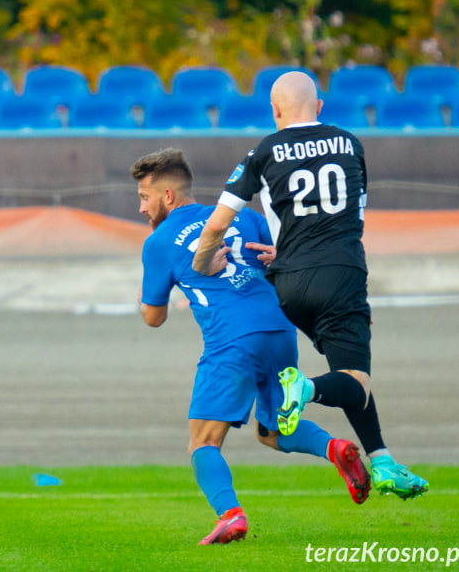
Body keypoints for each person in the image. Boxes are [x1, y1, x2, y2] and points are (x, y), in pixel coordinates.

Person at [191, 71, 428, 500]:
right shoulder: (349, 143)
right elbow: (350, 215)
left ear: (275, 111)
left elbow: (218, 223)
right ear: (319, 107)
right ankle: (306, 388)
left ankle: (383, 461)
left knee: (352, 374)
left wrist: (202, 261)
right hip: (341, 274)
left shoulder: (263, 150)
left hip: (288, 285)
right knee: (355, 380)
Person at [133, 148, 370, 546]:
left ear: (168, 196)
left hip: (231, 338)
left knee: (203, 442)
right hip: (279, 328)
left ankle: (231, 515)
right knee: (273, 430)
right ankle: (335, 447)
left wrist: (160, 292)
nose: (141, 208)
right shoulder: (245, 217)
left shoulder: (158, 242)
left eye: (144, 197)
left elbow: (153, 317)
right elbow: (289, 261)